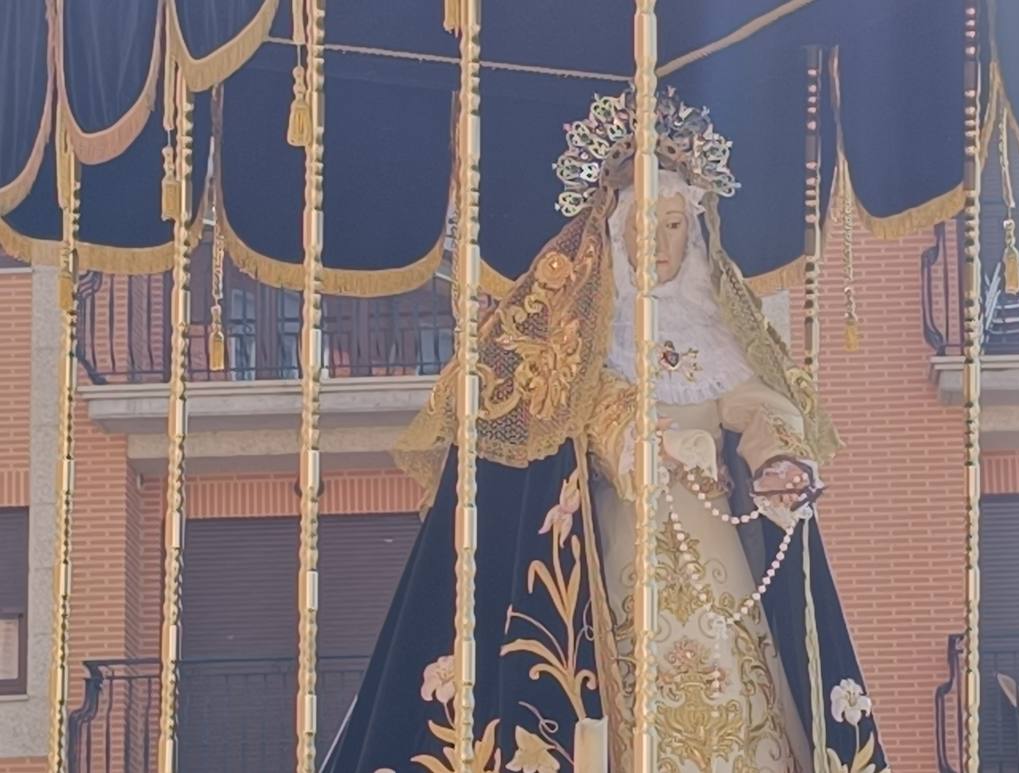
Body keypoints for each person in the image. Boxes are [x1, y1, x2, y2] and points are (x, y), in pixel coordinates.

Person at [323, 88, 886, 773]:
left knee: (739, 709)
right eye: (646, 223)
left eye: (675, 224)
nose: (660, 241)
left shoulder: (714, 325)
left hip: (718, 559)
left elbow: (755, 400)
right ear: (616, 229)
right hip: (617, 557)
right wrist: (653, 441)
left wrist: (777, 456)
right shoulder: (583, 331)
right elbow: (584, 407)